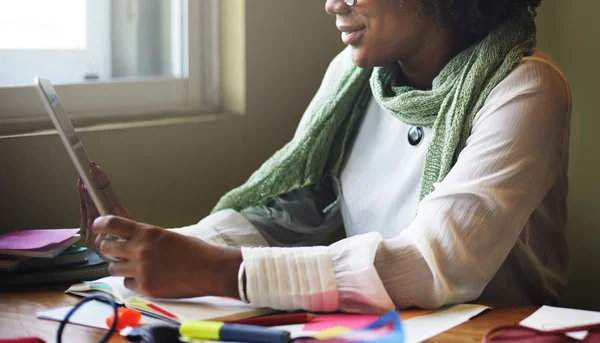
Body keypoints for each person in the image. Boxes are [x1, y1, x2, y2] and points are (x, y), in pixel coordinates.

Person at [78, 0, 571, 313]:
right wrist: (155, 249)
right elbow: (291, 214)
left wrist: (221, 271)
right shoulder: (350, 78)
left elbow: (434, 262)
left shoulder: (526, 87)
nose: (332, 4)